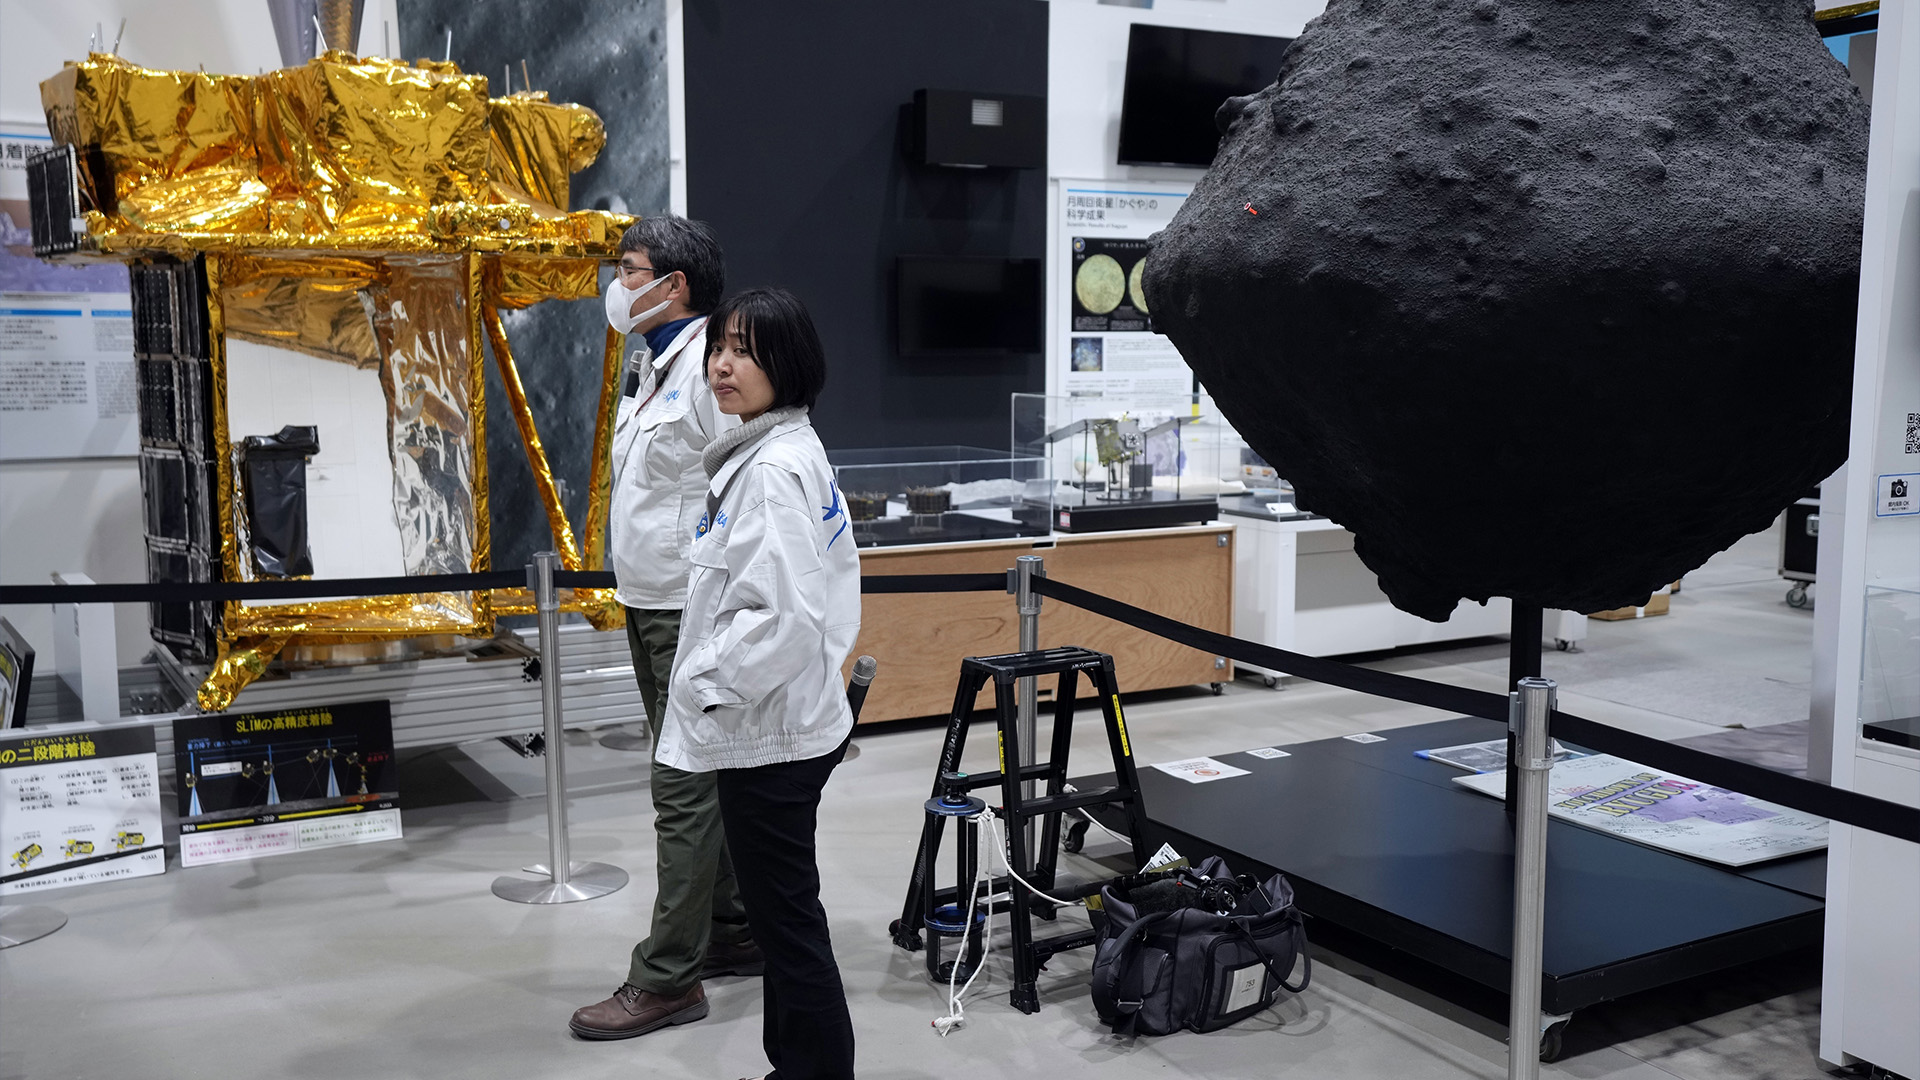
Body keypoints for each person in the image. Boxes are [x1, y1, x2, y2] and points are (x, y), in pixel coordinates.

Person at [655, 288, 861, 1080]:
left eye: (744, 349)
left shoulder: (773, 469)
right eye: (718, 348)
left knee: (789, 924)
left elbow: (780, 619)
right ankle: (796, 1067)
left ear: (788, 362)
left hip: (770, 732)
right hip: (778, 723)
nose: (722, 365)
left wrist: (702, 685)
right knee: (781, 921)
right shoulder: (775, 451)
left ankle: (815, 1072)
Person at [570, 216, 760, 1041]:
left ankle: (670, 977)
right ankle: (734, 929)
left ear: (672, 283)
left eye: (630, 269)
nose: (619, 283)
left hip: (691, 606)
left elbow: (746, 488)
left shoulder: (711, 373)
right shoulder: (658, 365)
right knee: (697, 777)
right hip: (650, 601)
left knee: (681, 790)